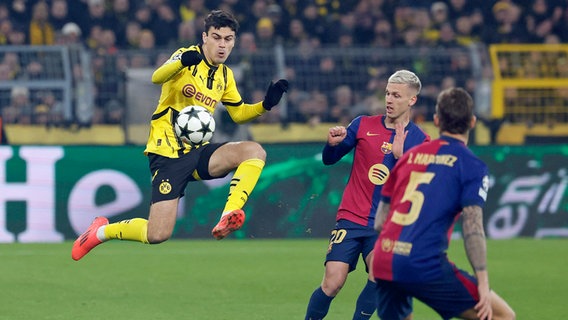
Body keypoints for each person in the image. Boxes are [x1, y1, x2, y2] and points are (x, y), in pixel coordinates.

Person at [71, 9, 288, 261]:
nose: (222, 45)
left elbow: (239, 113)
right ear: (205, 37)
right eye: (217, 37)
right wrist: (181, 62)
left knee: (254, 151)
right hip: (167, 152)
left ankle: (229, 214)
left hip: (198, 150)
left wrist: (265, 105)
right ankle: (101, 232)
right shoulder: (186, 55)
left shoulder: (224, 76)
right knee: (157, 234)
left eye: (228, 39)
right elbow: (156, 77)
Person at [372, 87, 516, 320]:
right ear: (472, 121)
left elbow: (380, 222)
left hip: (385, 258)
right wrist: (482, 281)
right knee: (502, 316)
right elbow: (473, 227)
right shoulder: (472, 165)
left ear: (437, 121)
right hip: (423, 263)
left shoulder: (409, 157)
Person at [305, 70, 430, 320]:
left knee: (378, 274)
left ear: (412, 100)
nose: (389, 99)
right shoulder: (363, 124)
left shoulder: (421, 140)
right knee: (332, 282)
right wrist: (331, 144)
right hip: (351, 217)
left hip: (385, 224)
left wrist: (400, 158)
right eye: (387, 93)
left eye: (396, 95)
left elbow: (417, 190)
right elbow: (330, 160)